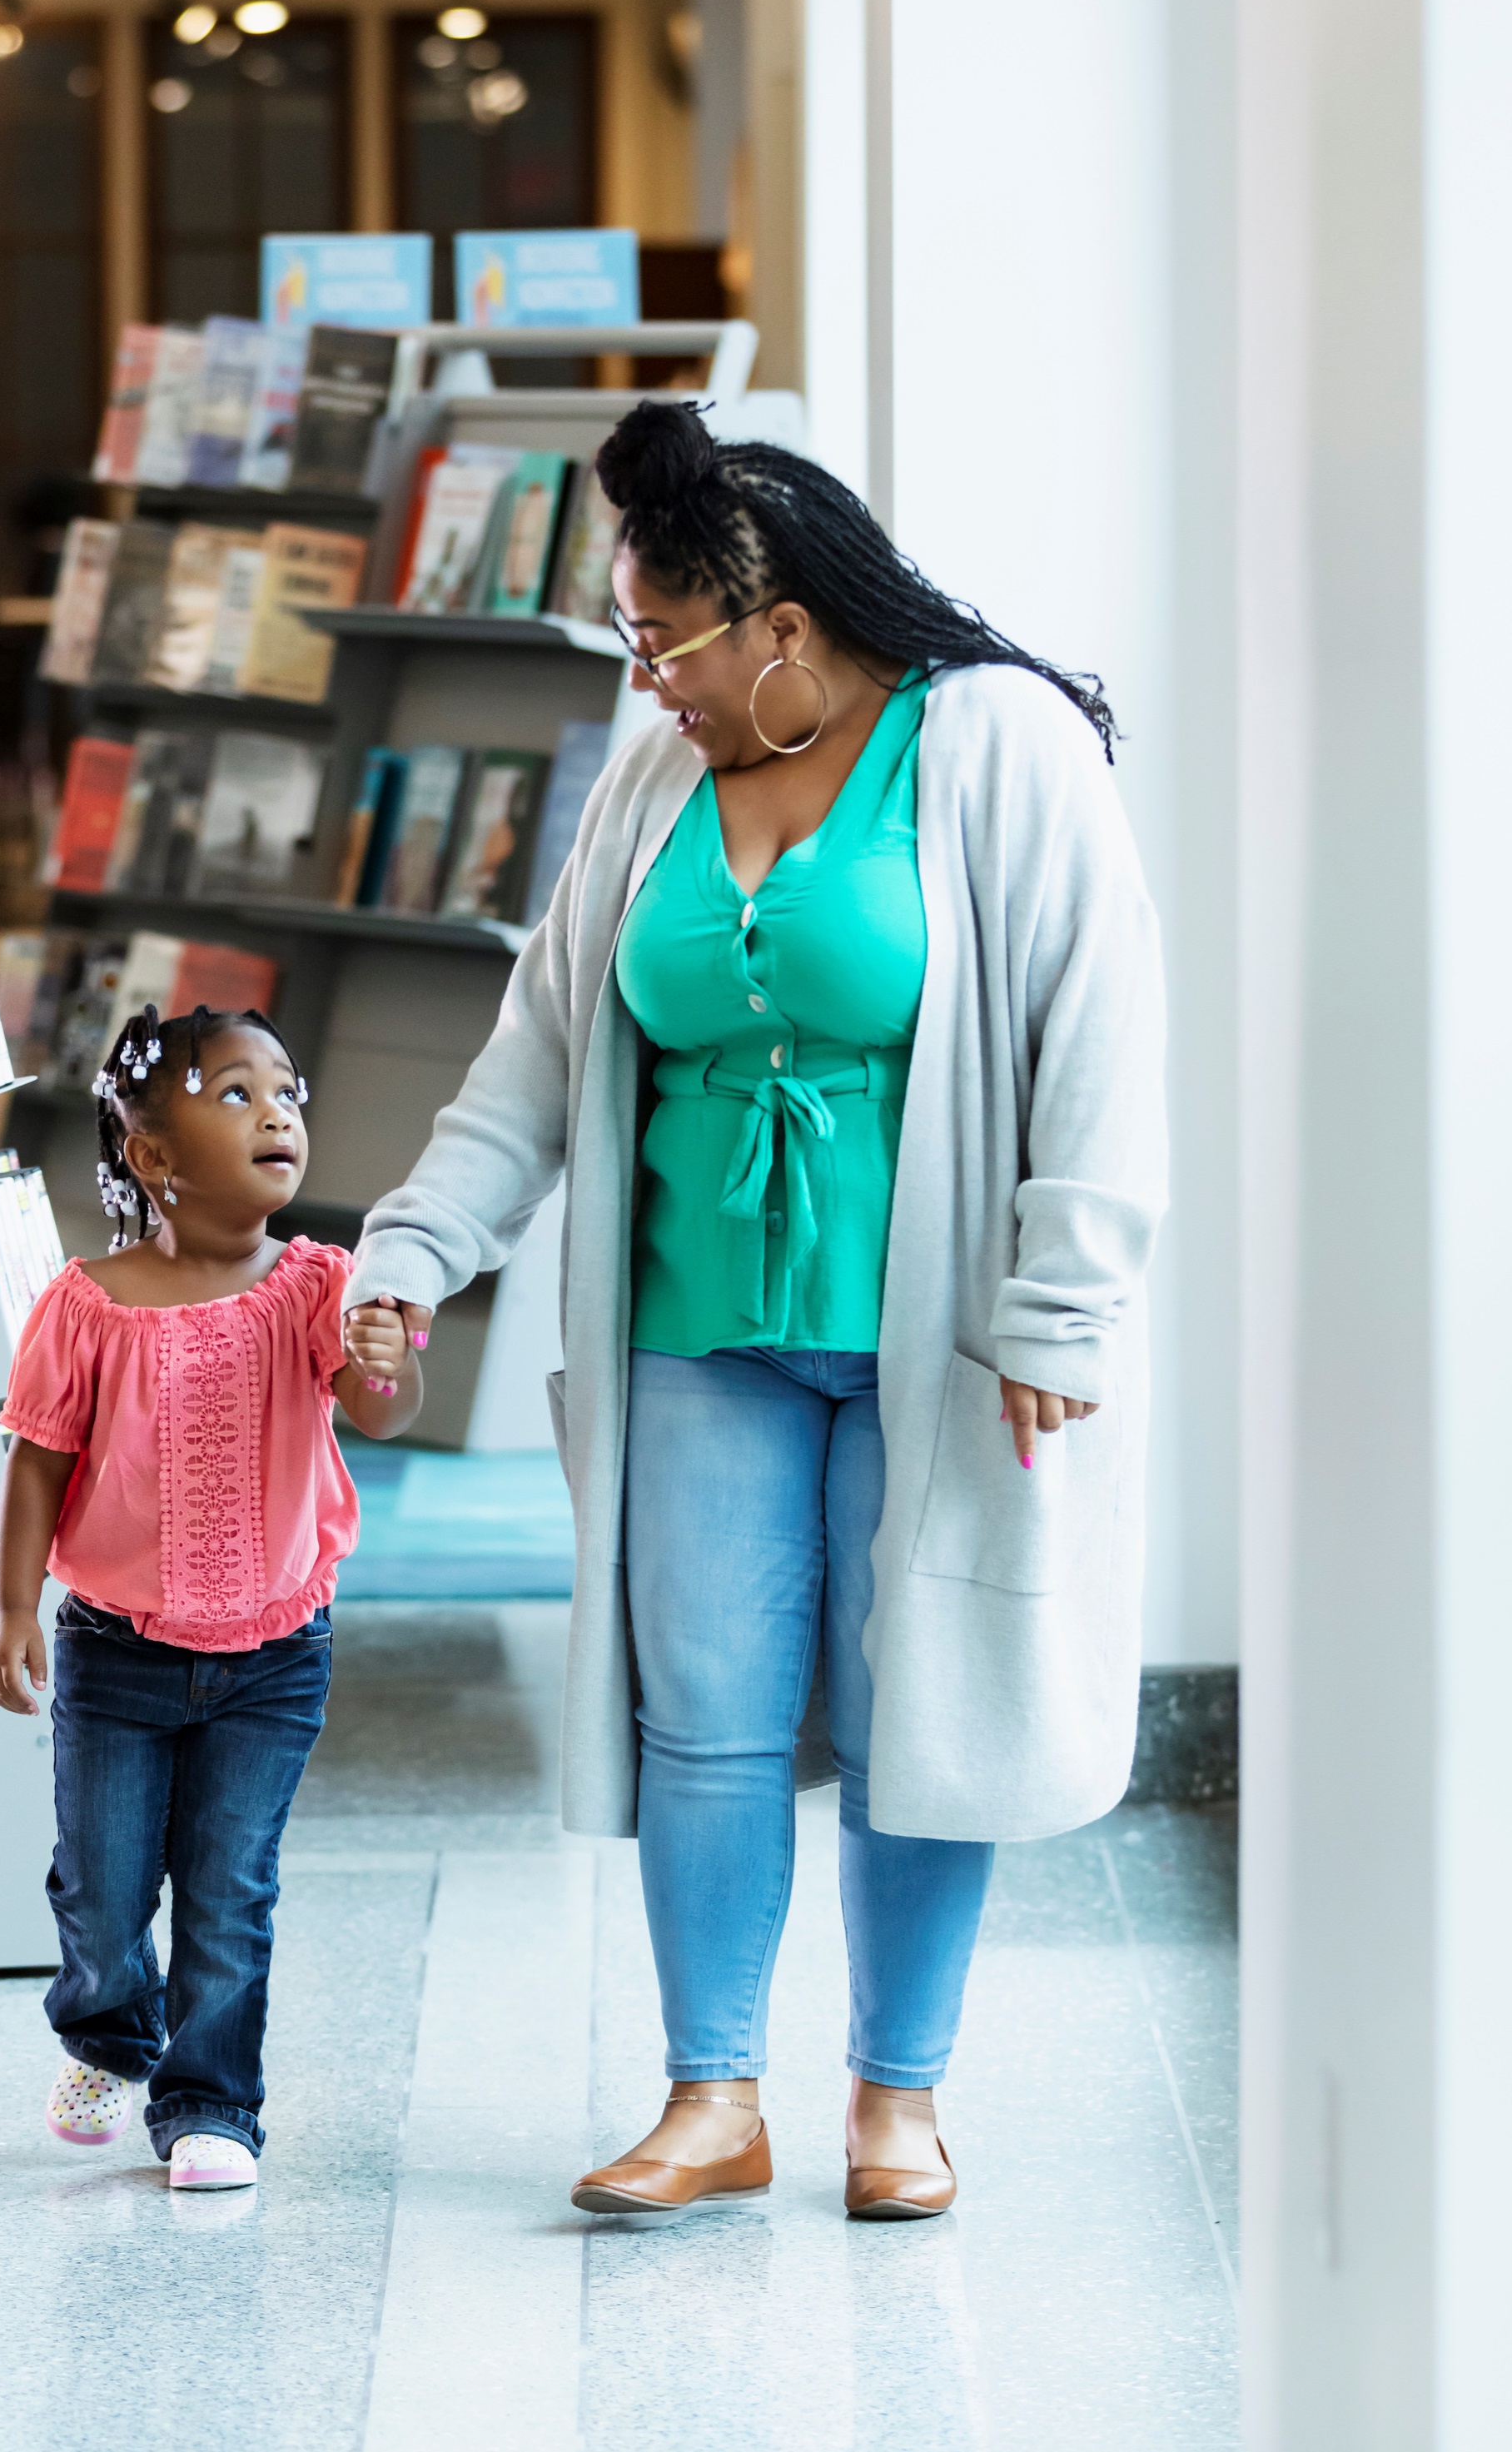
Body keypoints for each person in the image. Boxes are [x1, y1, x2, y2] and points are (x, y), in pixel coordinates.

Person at [346, 412, 1166, 2222]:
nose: (651, 687)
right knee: (701, 1709)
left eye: (666, 646)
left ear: (778, 624)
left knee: (914, 1707)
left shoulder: (993, 746)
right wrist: (409, 1254)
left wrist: (1061, 1311)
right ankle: (713, 2096)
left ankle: (901, 2098)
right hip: (697, 1326)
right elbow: (537, 1063)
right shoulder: (653, 790)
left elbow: (1102, 1040)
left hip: (936, 1335)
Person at [0, 1002, 422, 2191]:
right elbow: (38, 1458)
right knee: (104, 1881)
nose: (278, 1111)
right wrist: (15, 1608)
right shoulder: (86, 1306)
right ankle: (107, 2035)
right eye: (236, 1094)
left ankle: (212, 2104)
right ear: (154, 1159)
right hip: (114, 1656)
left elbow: (380, 1411)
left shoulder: (321, 1288)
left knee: (230, 1890)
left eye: (287, 1093)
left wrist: (387, 1366)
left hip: (277, 1656)